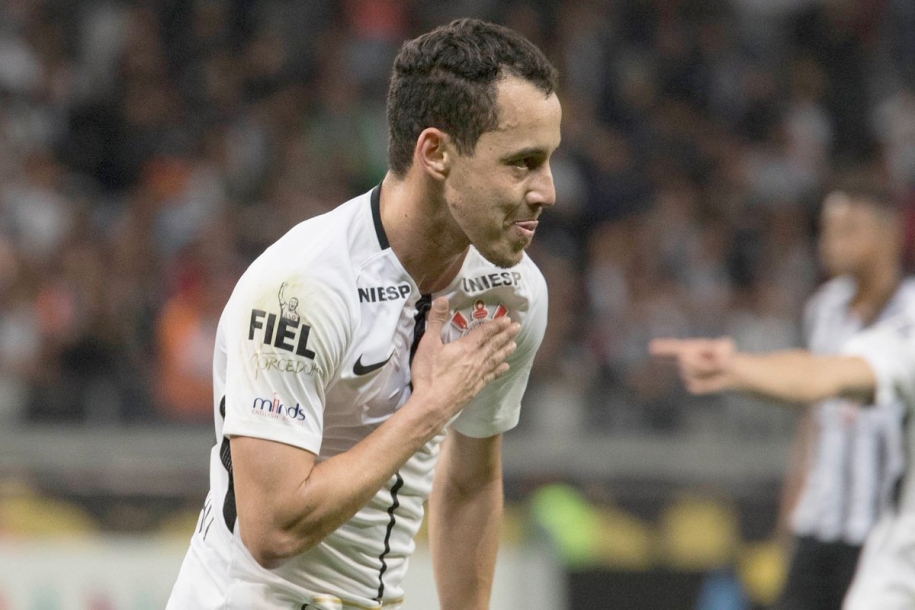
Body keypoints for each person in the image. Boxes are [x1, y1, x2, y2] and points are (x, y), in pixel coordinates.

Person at [167, 18, 561, 610]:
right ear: (436, 153)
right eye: (521, 163)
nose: (547, 191)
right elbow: (272, 531)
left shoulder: (513, 293)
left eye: (548, 159)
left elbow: (470, 481)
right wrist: (430, 408)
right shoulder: (299, 290)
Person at [649, 175, 915, 610]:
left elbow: (825, 375)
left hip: (880, 529)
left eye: (848, 230)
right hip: (820, 520)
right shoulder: (825, 307)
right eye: (827, 230)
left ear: (889, 236)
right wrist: (790, 513)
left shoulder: (909, 316)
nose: (830, 243)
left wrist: (736, 368)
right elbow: (815, 401)